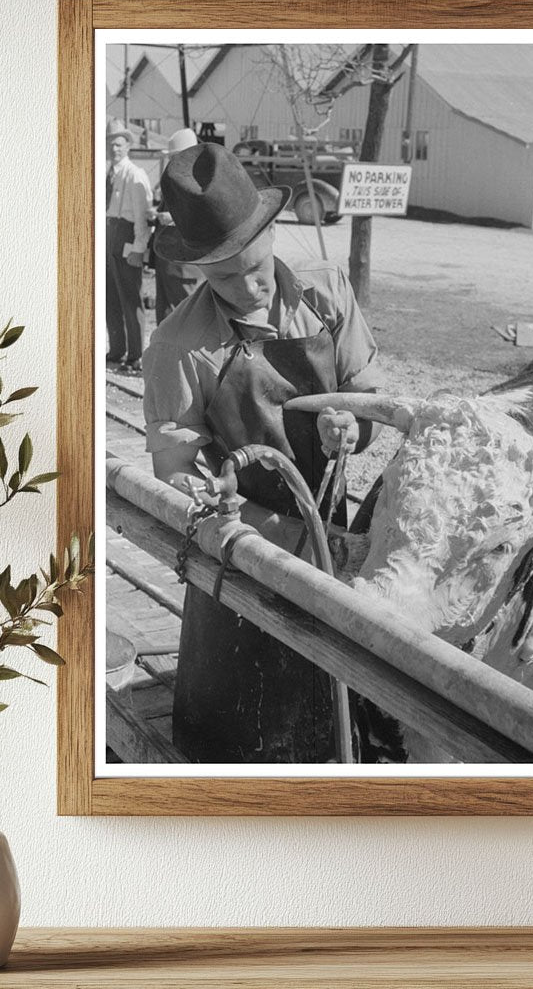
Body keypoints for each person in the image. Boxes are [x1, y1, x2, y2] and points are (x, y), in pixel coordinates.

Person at [142, 142, 382, 763]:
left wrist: (351, 425)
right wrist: (256, 527)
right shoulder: (177, 348)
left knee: (329, 711)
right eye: (225, 276)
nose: (250, 286)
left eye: (257, 265)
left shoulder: (326, 294)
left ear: (274, 230)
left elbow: (368, 397)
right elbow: (174, 472)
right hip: (242, 557)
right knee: (235, 728)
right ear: (194, 268)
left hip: (330, 529)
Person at [105, 118, 152, 372]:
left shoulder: (135, 175)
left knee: (130, 298)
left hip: (126, 236)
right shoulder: (105, 173)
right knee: (110, 297)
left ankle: (136, 354)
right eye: (111, 144)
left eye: (119, 144)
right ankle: (116, 349)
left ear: (128, 146)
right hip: (108, 235)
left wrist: (138, 248)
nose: (115, 149)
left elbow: (142, 216)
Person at [149, 128, 203, 326]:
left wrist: (172, 218)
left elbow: (202, 217)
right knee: (165, 318)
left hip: (184, 266)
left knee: (186, 319)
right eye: (171, 157)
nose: (173, 161)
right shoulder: (175, 179)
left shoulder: (200, 182)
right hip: (167, 261)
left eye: (176, 156)